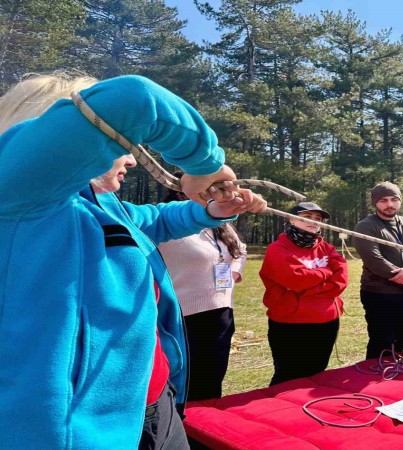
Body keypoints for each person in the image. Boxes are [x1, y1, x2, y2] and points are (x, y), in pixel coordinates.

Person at [0, 73, 267, 449]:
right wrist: (206, 163)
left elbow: (154, 220)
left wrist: (211, 210)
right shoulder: (15, 194)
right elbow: (134, 98)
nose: (130, 158)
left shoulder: (99, 203)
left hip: (154, 404)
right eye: (120, 144)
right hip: (77, 435)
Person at [158, 188, 248, 401]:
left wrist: (234, 271)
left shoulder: (219, 221)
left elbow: (240, 249)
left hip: (221, 313)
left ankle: (206, 429)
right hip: (184, 316)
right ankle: (182, 431)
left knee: (212, 380)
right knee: (184, 384)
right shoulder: (169, 222)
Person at [259, 202, 347, 385]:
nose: (313, 222)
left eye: (317, 219)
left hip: (326, 323)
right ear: (291, 219)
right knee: (288, 377)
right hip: (291, 325)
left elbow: (341, 281)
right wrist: (326, 272)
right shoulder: (278, 248)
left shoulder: (327, 248)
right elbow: (296, 279)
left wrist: (305, 288)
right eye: (307, 217)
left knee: (316, 375)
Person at [353, 182, 403, 359]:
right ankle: (375, 383)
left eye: (394, 199)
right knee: (383, 343)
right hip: (379, 293)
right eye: (384, 200)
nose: (390, 204)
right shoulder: (366, 226)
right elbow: (375, 261)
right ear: (375, 203)